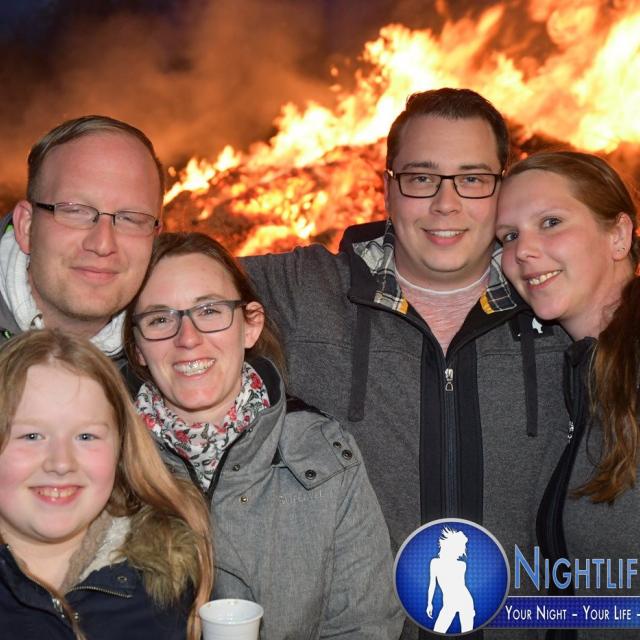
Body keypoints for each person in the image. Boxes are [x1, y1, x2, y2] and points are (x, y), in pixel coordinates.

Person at [242, 88, 570, 637]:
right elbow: (150, 284)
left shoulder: (559, 304)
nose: (446, 204)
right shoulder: (303, 291)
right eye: (422, 178)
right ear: (388, 187)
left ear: (501, 188)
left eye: (472, 178)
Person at [123, 232, 404, 640]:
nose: (188, 339)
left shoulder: (324, 454)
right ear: (137, 348)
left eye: (210, 310)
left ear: (250, 325)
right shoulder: (106, 460)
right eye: (160, 319)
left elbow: (367, 625)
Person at [497, 150, 640, 639]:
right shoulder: (579, 374)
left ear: (618, 236)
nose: (523, 251)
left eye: (551, 222)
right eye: (508, 236)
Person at [0, 329, 213, 640]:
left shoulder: (169, 582)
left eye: (86, 436)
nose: (61, 463)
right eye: (31, 436)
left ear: (121, 449)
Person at [0, 115, 163, 358]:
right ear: (26, 226)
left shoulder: (172, 356)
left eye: (130, 218)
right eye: (75, 211)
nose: (103, 244)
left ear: (154, 239)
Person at [426, 528, 474, 634]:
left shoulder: (462, 565)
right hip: (449, 603)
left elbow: (461, 586)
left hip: (465, 601)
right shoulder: (435, 563)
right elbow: (432, 584)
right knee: (438, 631)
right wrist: (429, 603)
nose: (463, 550)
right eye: (461, 547)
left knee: (467, 634)